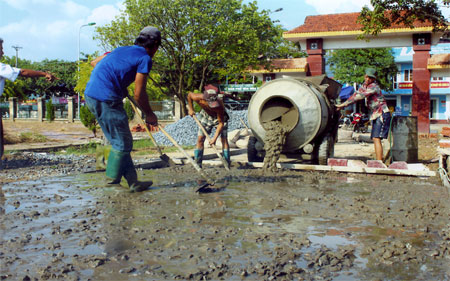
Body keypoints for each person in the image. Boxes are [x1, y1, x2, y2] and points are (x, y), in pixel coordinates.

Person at [84, 26, 161, 192]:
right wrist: (150, 114)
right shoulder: (145, 58)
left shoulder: (120, 50)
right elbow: (139, 94)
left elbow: (94, 63)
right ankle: (112, 184)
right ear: (155, 45)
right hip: (107, 99)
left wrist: (116, 81)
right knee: (123, 143)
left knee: (119, 142)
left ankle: (133, 182)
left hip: (91, 95)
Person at [0, 37, 57, 166]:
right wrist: (44, 74)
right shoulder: (1, 68)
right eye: (1, 49)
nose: (2, 53)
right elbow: (23, 72)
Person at [336, 67, 391, 161]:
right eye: (367, 77)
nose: (368, 79)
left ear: (374, 79)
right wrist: (343, 104)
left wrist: (343, 105)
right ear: (364, 76)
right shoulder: (364, 86)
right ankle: (381, 159)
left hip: (381, 113)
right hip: (375, 114)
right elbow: (355, 95)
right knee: (375, 138)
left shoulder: (374, 87)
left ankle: (379, 161)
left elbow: (360, 96)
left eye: (370, 78)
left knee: (377, 138)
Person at [187, 84, 230, 167]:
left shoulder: (219, 105)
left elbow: (221, 123)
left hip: (219, 118)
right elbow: (189, 95)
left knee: (224, 139)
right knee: (200, 138)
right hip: (206, 116)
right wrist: (191, 109)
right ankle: (198, 163)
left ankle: (227, 163)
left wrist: (214, 138)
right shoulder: (197, 97)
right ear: (205, 99)